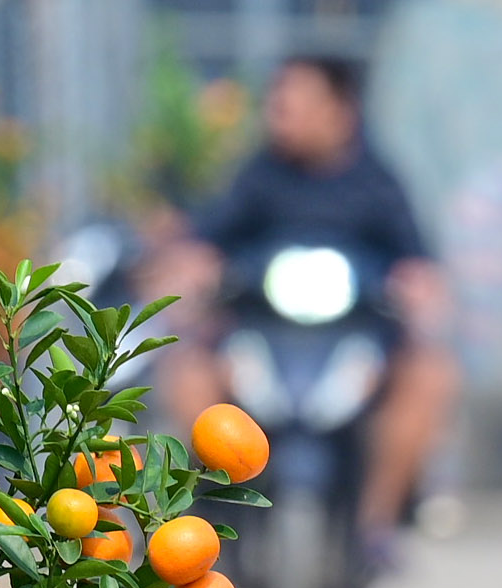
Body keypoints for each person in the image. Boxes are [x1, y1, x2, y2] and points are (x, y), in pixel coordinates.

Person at [152, 53, 457, 546]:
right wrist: (191, 272)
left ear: (339, 111)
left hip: (358, 341)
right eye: (275, 103)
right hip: (259, 335)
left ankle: (377, 522)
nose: (277, 115)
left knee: (430, 375)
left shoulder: (377, 182)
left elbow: (416, 263)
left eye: (290, 104)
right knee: (187, 370)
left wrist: (420, 292)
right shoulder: (259, 175)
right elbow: (207, 241)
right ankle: (210, 499)